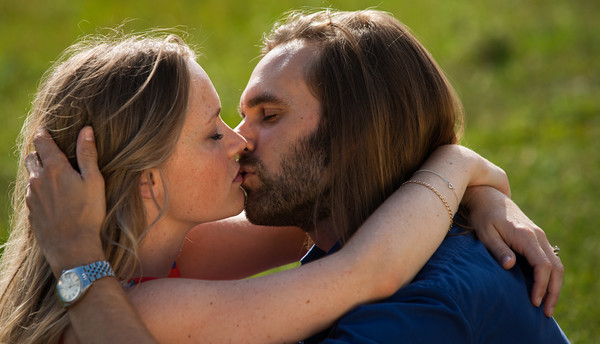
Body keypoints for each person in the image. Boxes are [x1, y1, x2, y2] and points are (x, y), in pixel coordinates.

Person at [15, 13, 562, 344]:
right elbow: (368, 267)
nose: (240, 141)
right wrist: (459, 165)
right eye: (215, 133)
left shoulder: (178, 251)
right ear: (148, 183)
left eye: (267, 117)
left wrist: (482, 193)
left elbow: (380, 209)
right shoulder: (135, 305)